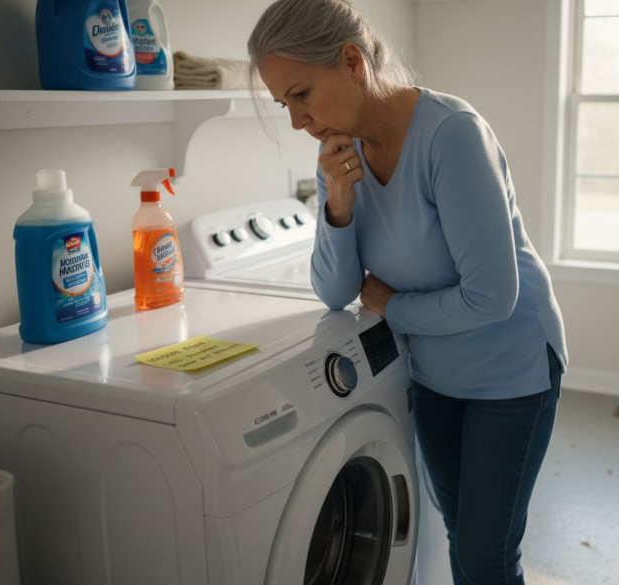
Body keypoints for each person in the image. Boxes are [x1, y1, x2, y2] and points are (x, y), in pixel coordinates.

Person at [249, 1, 568, 583]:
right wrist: (338, 207)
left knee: (485, 556)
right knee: (460, 535)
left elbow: (492, 297)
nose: (296, 121)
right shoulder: (340, 157)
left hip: (512, 369)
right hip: (434, 371)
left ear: (351, 62)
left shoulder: (452, 136)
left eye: (300, 94)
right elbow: (336, 291)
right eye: (283, 104)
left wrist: (393, 307)